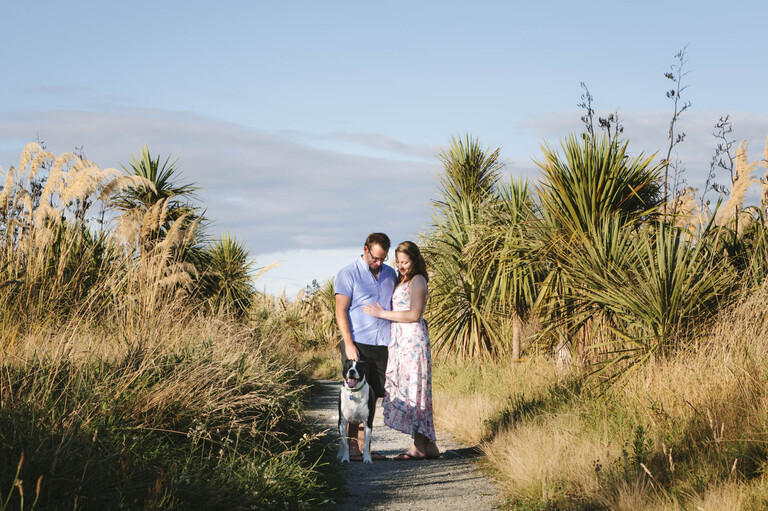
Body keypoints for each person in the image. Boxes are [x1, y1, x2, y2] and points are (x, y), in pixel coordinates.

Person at [362, 241, 439, 460]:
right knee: (409, 388)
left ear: (415, 260)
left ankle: (419, 446)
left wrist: (381, 314)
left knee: (416, 390)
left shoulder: (418, 280)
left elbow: (414, 314)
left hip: (413, 341)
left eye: (405, 262)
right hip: (401, 342)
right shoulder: (402, 280)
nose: (401, 266)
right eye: (398, 262)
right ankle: (427, 445)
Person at [335, 232, 397, 461]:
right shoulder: (347, 274)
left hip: (383, 343)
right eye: (375, 258)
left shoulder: (390, 274)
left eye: (383, 259)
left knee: (372, 396)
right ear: (365, 249)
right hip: (358, 344)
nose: (379, 263)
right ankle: (351, 448)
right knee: (354, 393)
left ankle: (365, 447)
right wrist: (348, 343)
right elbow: (340, 311)